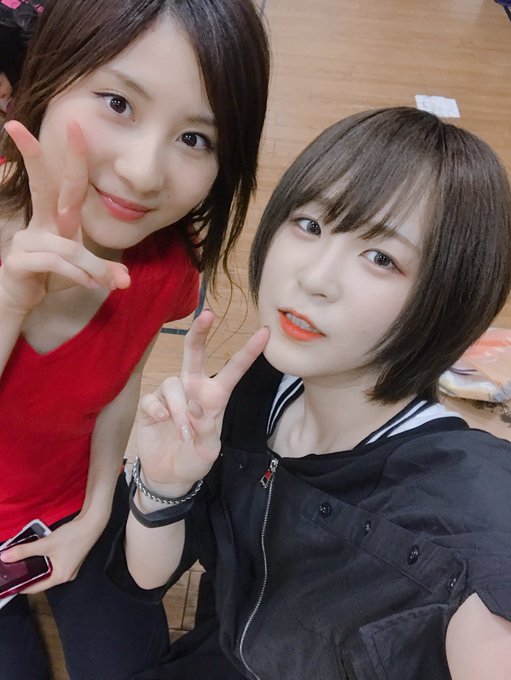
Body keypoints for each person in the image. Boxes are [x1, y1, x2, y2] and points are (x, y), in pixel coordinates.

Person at [108, 107, 511, 680]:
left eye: (381, 258)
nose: (315, 278)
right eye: (311, 225)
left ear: (448, 299)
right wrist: (163, 487)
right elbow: (148, 576)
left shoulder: (469, 508)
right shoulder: (256, 388)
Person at [0, 0, 270, 678]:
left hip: (73, 501)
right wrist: (10, 302)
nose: (145, 173)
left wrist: (93, 518)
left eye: (195, 138)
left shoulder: (162, 266)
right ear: (49, 74)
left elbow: (117, 393)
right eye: (118, 102)